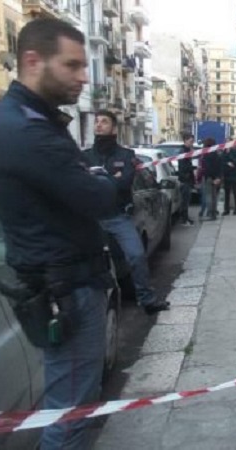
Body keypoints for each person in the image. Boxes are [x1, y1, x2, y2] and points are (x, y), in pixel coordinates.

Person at [0, 18, 115, 449]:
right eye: (72, 65)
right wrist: (106, 178)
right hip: (66, 288)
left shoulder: (29, 119)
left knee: (74, 406)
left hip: (67, 282)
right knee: (70, 415)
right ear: (33, 61)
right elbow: (98, 197)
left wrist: (93, 178)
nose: (84, 77)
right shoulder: (27, 129)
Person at [82, 110, 169, 315]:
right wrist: (111, 177)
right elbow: (82, 185)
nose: (98, 125)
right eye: (96, 122)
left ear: (114, 128)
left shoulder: (127, 155)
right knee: (88, 263)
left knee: (136, 256)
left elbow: (124, 184)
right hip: (92, 218)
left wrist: (99, 179)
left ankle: (147, 299)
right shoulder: (85, 156)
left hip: (118, 216)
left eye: (104, 122)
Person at [176, 133, 196, 225]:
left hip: (187, 178)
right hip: (185, 179)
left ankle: (185, 218)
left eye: (193, 141)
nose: (192, 143)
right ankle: (184, 219)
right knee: (185, 200)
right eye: (191, 141)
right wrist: (193, 168)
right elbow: (184, 166)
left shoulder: (187, 150)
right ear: (185, 140)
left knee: (187, 200)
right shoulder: (183, 151)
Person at [200, 137, 222, 219]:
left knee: (209, 196)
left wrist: (212, 178)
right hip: (216, 178)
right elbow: (219, 167)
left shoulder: (206, 155)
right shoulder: (217, 154)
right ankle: (214, 212)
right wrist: (218, 177)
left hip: (209, 177)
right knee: (215, 196)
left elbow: (208, 168)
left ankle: (210, 213)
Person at [221, 146, 236, 215]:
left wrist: (229, 156)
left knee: (235, 192)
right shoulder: (224, 152)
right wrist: (228, 163)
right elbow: (222, 161)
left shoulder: (235, 152)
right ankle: (226, 209)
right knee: (227, 193)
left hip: (234, 175)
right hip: (226, 175)